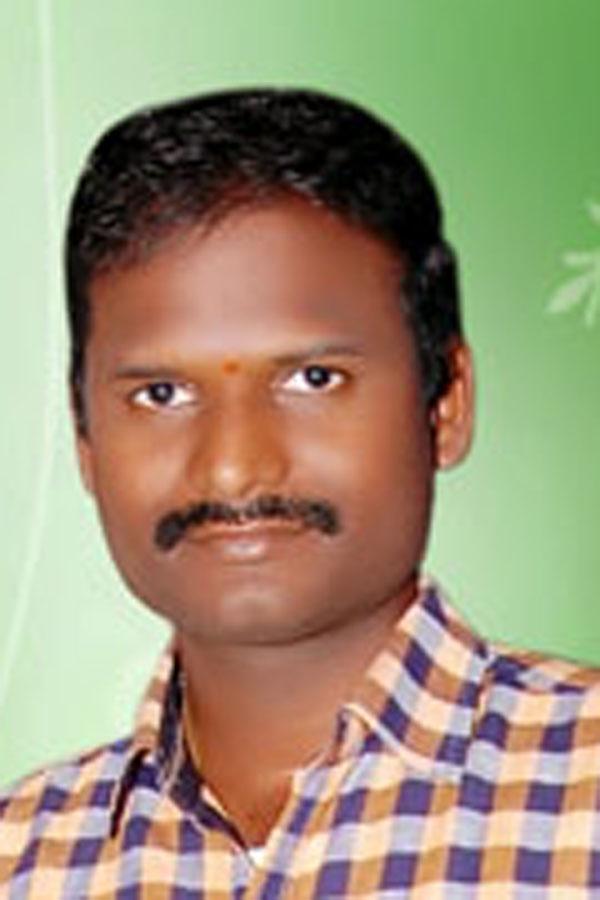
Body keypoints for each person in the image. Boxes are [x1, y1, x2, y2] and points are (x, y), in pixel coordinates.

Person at [1, 87, 599, 898]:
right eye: (162, 394)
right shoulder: (23, 857)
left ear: (447, 403)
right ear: (84, 437)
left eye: (313, 379)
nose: (232, 469)